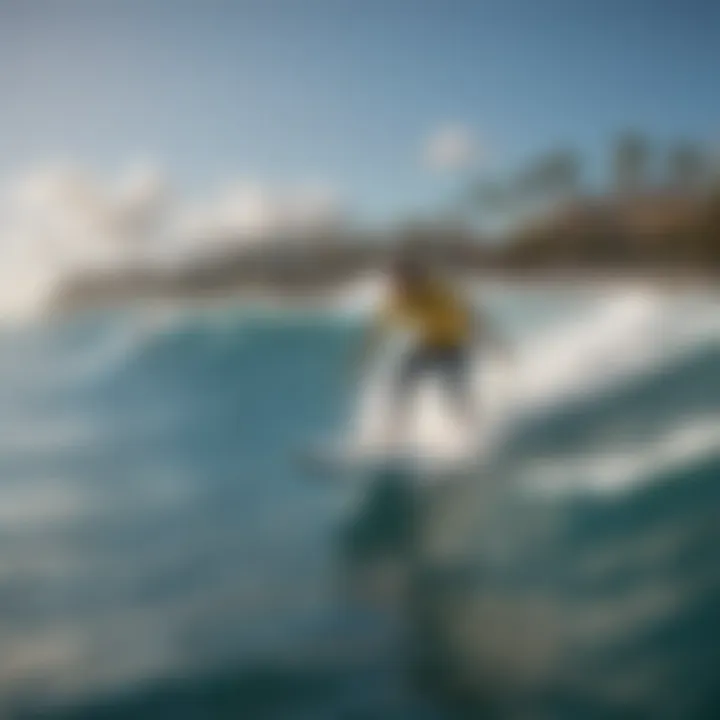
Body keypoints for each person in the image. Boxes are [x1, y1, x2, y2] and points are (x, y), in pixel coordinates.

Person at [361, 253, 502, 431]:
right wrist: (365, 356)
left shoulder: (440, 293)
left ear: (415, 277)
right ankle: (394, 431)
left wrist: (495, 344)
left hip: (453, 347)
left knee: (454, 393)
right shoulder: (397, 300)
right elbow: (378, 331)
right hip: (426, 345)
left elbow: (473, 318)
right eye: (396, 280)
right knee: (400, 383)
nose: (398, 285)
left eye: (403, 279)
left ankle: (474, 427)